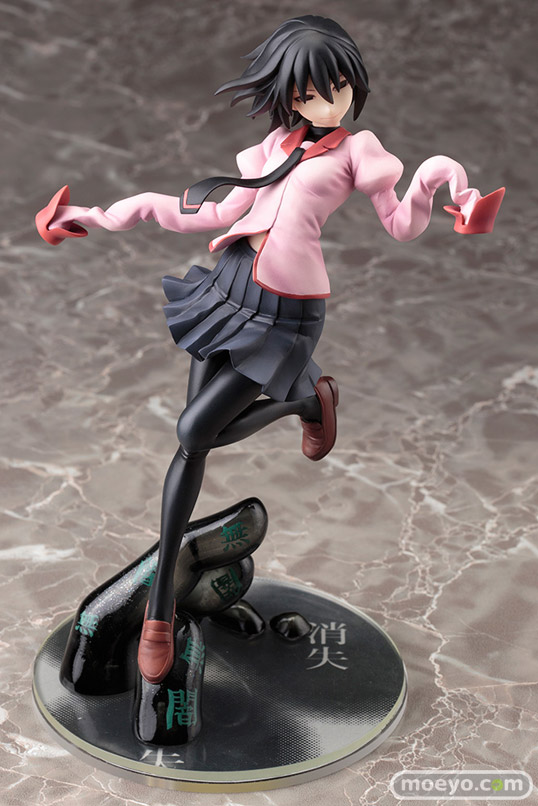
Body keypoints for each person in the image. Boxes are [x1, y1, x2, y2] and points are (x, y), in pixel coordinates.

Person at [35, 15, 504, 685]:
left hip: (286, 314)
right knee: (192, 446)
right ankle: (162, 606)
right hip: (228, 291)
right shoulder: (273, 148)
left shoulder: (359, 151)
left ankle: (303, 403)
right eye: (311, 92)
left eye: (338, 86)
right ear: (290, 96)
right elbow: (209, 212)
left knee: (193, 430)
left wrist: (440, 178)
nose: (328, 102)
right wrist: (100, 214)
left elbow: (402, 225)